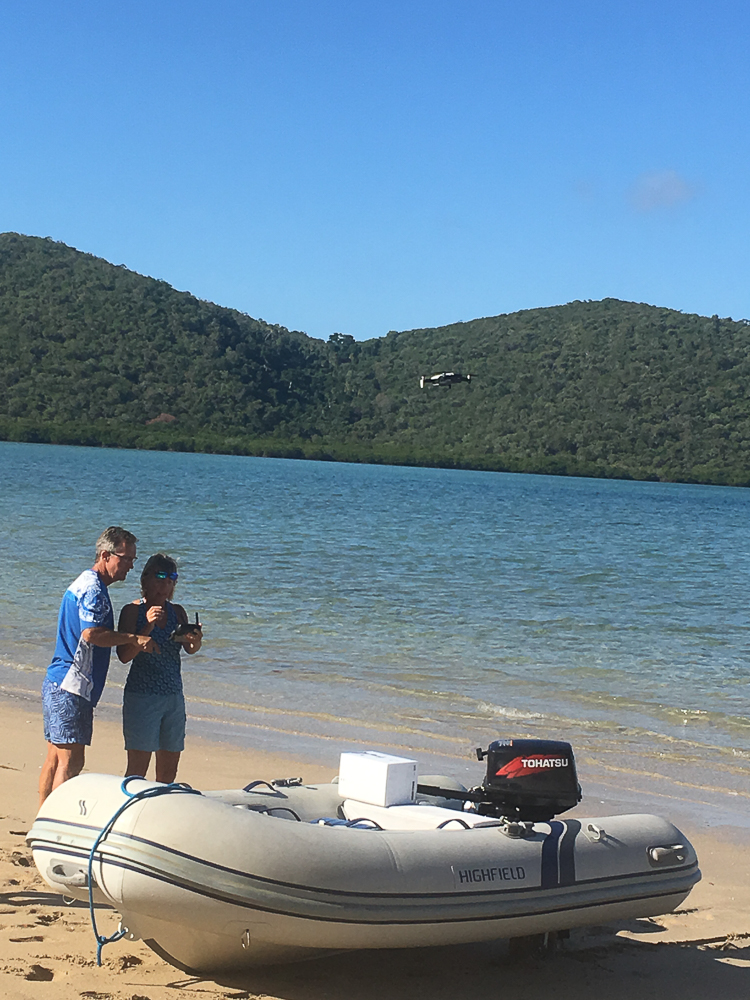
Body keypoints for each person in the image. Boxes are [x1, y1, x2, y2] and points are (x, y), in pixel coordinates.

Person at [39, 527, 158, 806]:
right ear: (105, 555)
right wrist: (133, 638)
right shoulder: (93, 589)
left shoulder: (87, 583)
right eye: (126, 559)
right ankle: (56, 820)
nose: (130, 566)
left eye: (133, 560)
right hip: (71, 685)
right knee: (70, 763)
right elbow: (91, 633)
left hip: (61, 682)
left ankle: (42, 819)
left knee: (55, 758)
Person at [117, 553, 202, 784]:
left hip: (173, 696)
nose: (165, 585)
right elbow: (124, 656)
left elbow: (189, 649)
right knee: (137, 771)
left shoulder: (177, 612)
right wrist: (148, 625)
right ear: (145, 579)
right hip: (142, 696)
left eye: (171, 579)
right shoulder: (132, 611)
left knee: (168, 773)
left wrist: (195, 640)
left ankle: (159, 804)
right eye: (160, 577)